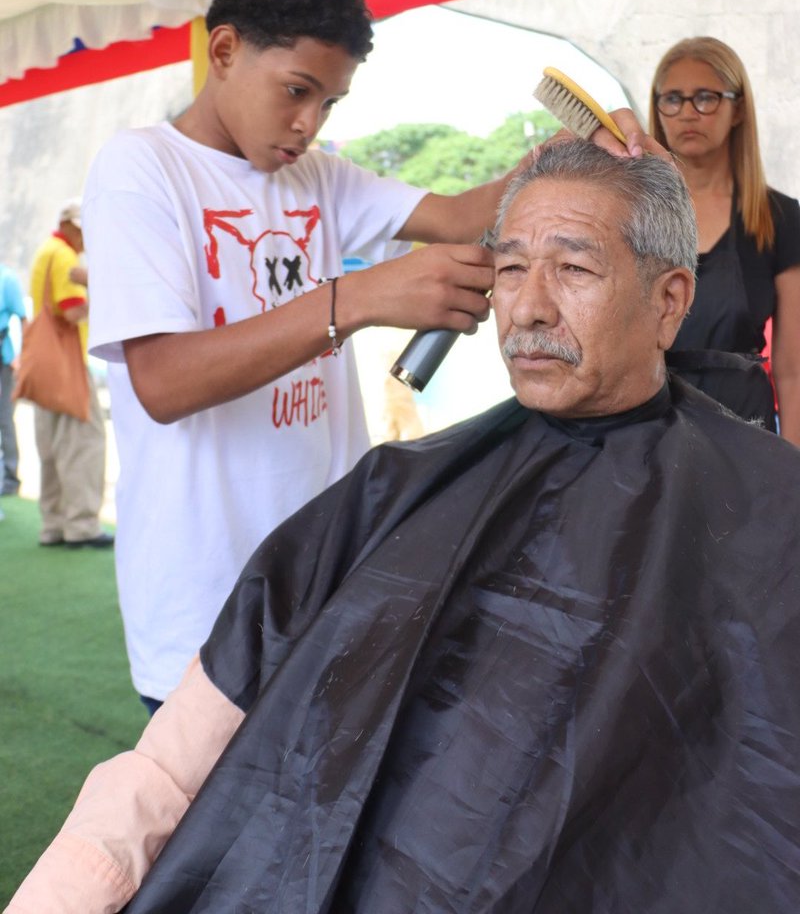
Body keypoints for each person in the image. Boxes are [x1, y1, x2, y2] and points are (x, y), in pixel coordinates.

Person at [8, 140, 800, 913]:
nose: (527, 308)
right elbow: (167, 769)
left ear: (670, 301)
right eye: (511, 267)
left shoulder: (771, 513)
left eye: (575, 267)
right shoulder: (394, 490)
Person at [82, 0, 654, 713]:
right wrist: (352, 299)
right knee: (205, 827)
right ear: (224, 51)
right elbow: (162, 382)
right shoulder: (142, 170)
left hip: (325, 580)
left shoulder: (315, 176)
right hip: (202, 606)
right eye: (296, 91)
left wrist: (560, 155)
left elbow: (456, 217)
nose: (308, 123)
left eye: (330, 104)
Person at [649, 36, 800, 440]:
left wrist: (792, 469)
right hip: (648, 426)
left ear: (737, 109)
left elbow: (792, 370)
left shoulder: (780, 218)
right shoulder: (632, 213)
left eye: (705, 98)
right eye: (673, 99)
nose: (687, 113)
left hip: (744, 430)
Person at [28, 200, 111, 548]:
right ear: (74, 228)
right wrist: (106, 290)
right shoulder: (64, 257)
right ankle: (81, 525)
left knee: (50, 445)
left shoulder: (45, 251)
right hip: (68, 362)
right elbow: (73, 312)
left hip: (42, 364)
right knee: (84, 441)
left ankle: (53, 524)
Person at [0, 263, 27, 499]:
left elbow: (23, 318)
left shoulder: (7, 279)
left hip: (3, 359)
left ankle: (10, 476)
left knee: (5, 417)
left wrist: (23, 355)